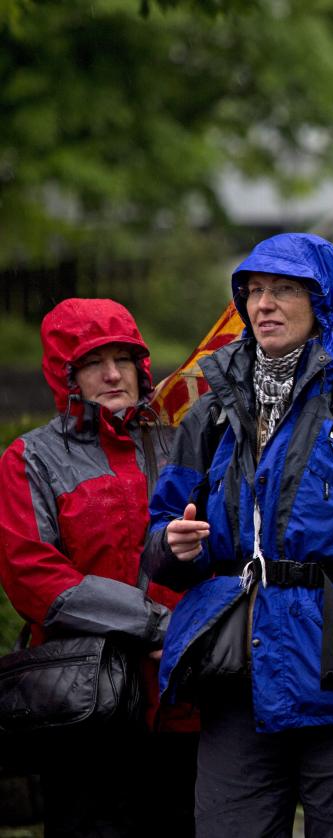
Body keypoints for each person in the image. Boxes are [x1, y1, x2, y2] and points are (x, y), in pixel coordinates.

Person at [142, 233, 333, 838]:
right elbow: (159, 542)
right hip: (238, 680)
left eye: (283, 290)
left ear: (322, 301)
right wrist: (173, 546)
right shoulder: (211, 413)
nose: (264, 304)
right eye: (254, 291)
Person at [0, 298, 198, 837]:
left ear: (142, 366)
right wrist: (156, 626)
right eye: (92, 362)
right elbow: (34, 576)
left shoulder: (182, 443)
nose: (113, 374)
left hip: (186, 700)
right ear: (64, 375)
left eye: (123, 358)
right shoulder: (29, 460)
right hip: (87, 705)